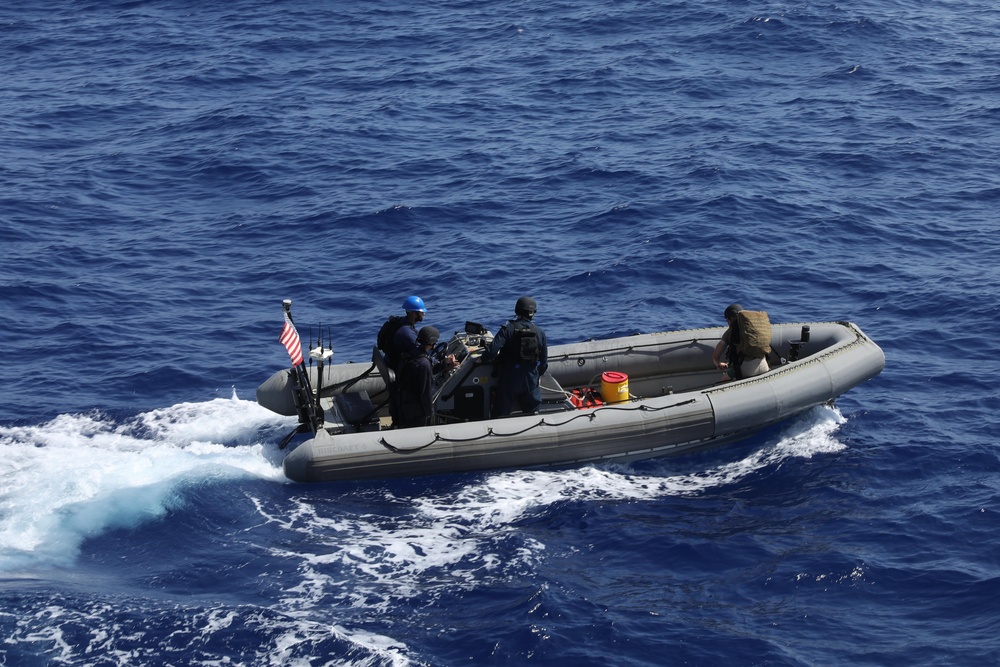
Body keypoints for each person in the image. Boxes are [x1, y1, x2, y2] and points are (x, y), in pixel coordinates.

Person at [482, 296, 548, 418]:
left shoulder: (507, 330)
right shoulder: (540, 332)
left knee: (500, 415)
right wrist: (535, 375)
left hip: (510, 378)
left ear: (517, 311)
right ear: (533, 313)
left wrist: (482, 358)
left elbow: (491, 352)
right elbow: (544, 363)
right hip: (530, 379)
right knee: (534, 414)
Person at [395, 326, 440, 428]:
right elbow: (425, 393)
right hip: (416, 411)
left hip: (405, 402)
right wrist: (430, 413)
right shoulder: (424, 364)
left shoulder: (410, 354)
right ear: (432, 341)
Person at [712, 303, 770, 380]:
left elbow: (715, 357)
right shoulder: (753, 329)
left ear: (730, 319)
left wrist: (718, 364)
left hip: (746, 370)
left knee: (723, 380)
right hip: (764, 365)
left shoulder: (730, 332)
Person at [377, 295, 427, 372]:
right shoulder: (407, 333)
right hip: (399, 368)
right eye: (421, 312)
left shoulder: (399, 322)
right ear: (414, 314)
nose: (424, 314)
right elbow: (421, 353)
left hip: (390, 360)